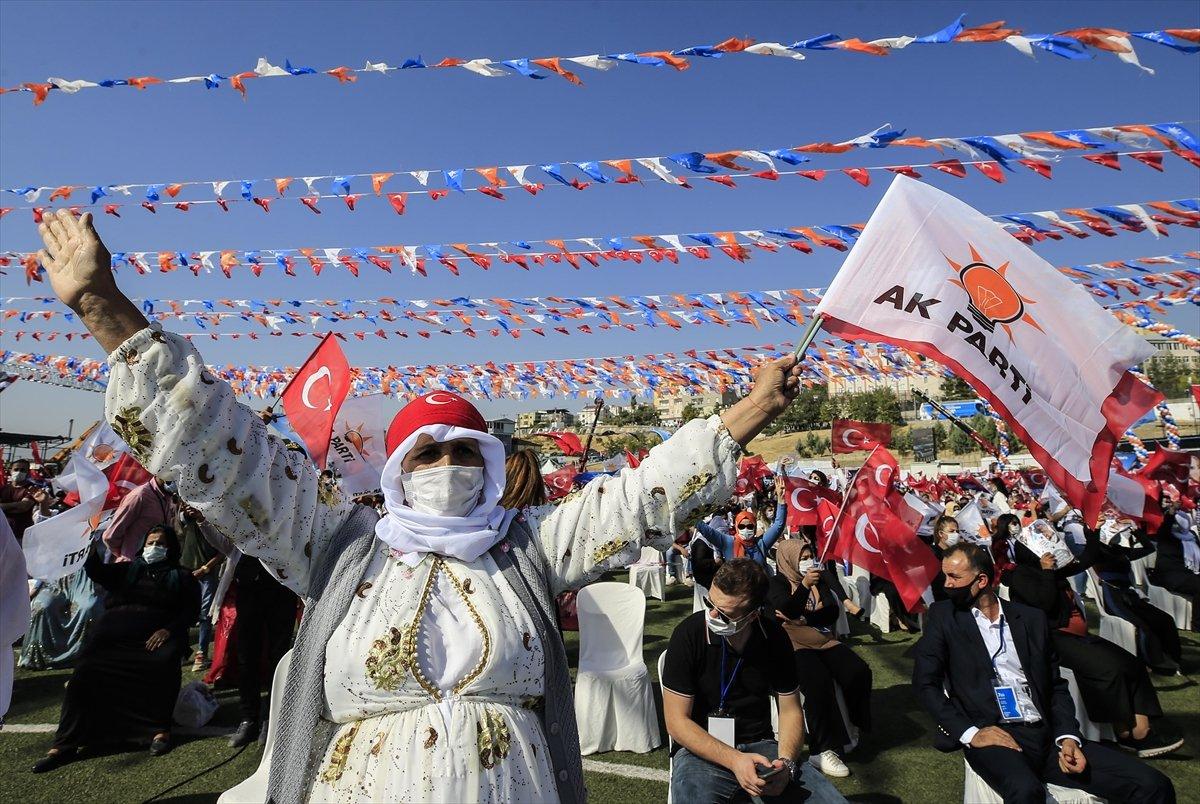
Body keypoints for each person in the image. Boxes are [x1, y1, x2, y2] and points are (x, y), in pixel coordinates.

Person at [33, 208, 803, 802]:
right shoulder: (337, 544)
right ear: (399, 471)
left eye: (464, 451)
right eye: (426, 454)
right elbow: (230, 454)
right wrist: (104, 307)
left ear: (490, 463)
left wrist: (752, 412)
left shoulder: (528, 549)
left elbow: (639, 500)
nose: (446, 466)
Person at [913, 542, 1175, 804]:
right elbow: (926, 684)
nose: (946, 584)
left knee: (1153, 784)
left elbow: (1056, 685)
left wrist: (1067, 736)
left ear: (981, 580)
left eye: (954, 577)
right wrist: (971, 733)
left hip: (1047, 736)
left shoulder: (1030, 619)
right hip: (994, 735)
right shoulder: (944, 617)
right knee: (1026, 791)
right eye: (945, 576)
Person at [662, 559, 839, 803]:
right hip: (700, 749)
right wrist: (735, 760)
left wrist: (786, 765)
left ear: (753, 615)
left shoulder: (773, 637)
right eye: (709, 603)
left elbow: (790, 710)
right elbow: (676, 722)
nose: (711, 614)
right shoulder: (689, 634)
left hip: (761, 746)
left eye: (724, 614)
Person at [1003, 524, 1182, 758]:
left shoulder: (1056, 571)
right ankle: (1124, 731)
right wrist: (1047, 572)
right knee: (1109, 669)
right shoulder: (1022, 575)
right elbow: (1043, 604)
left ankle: (1140, 731)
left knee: (1132, 664)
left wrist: (1092, 533)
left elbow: (1087, 560)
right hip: (1053, 639)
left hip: (1078, 638)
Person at [33, 524, 201, 771]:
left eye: (161, 544)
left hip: (154, 635)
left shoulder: (182, 577)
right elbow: (97, 572)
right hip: (112, 636)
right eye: (151, 543)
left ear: (171, 548)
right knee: (86, 670)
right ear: (143, 546)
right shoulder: (127, 570)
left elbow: (190, 612)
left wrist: (168, 630)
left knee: (162, 662)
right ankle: (64, 744)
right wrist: (89, 549)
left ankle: (158, 730)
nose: (155, 547)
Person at [769, 540, 872, 779]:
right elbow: (787, 608)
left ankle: (854, 723)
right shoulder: (777, 583)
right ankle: (822, 748)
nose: (808, 562)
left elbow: (831, 612)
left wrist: (805, 619)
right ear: (789, 560)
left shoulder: (819, 579)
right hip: (792, 644)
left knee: (858, 670)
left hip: (822, 639)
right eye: (802, 558)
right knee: (817, 681)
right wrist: (804, 587)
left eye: (810, 556)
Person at [1094, 515, 1183, 675]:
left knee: (1165, 619)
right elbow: (1091, 549)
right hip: (1113, 596)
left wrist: (1135, 529)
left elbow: (1149, 548)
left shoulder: (1119, 550)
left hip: (1129, 595)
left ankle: (1172, 657)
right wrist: (1097, 529)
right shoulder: (1098, 550)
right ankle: (1151, 662)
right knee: (1143, 627)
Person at [228, 554, 299, 747]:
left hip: (282, 583)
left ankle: (271, 717)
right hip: (249, 584)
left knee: (278, 656)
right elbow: (224, 544)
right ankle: (248, 719)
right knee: (247, 657)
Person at [697, 476, 788, 568]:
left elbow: (779, 525)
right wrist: (693, 514)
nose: (746, 529)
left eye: (750, 526)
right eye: (741, 526)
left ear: (755, 528)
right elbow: (707, 531)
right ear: (736, 527)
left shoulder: (761, 543)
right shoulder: (728, 542)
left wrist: (781, 499)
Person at [103, 476, 179, 562]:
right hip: (132, 564)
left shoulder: (170, 499)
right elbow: (110, 536)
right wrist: (127, 555)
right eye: (171, 474)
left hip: (157, 565)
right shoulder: (139, 496)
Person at [1150, 501, 1199, 631]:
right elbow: (1166, 524)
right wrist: (1171, 513)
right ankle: (1197, 625)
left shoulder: (1191, 536)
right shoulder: (1167, 535)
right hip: (1169, 574)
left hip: (1188, 573)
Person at [1, 458, 36, 539]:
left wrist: (3, 507)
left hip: (21, 534)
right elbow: (19, 506)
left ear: (28, 472)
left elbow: (23, 507)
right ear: (11, 471)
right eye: (16, 469)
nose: (19, 472)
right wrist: (15, 506)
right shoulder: (3, 489)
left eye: (22, 470)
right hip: (3, 532)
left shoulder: (32, 489)